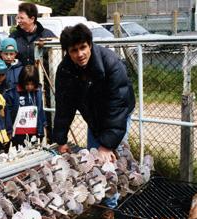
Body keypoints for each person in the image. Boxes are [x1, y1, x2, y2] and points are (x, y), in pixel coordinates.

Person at [53, 23, 135, 162]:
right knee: (93, 157)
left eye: (83, 47)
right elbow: (63, 108)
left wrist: (107, 145)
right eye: (74, 50)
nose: (80, 54)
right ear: (67, 51)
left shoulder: (111, 63)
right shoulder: (65, 71)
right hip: (93, 115)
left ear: (90, 45)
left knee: (114, 157)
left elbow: (118, 105)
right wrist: (61, 141)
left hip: (118, 111)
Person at [4, 65, 46, 147]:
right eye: (27, 84)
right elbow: (8, 113)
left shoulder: (38, 92)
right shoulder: (12, 93)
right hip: (18, 132)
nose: (29, 87)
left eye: (32, 84)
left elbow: (40, 109)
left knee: (34, 151)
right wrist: (9, 130)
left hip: (34, 130)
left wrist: (42, 125)